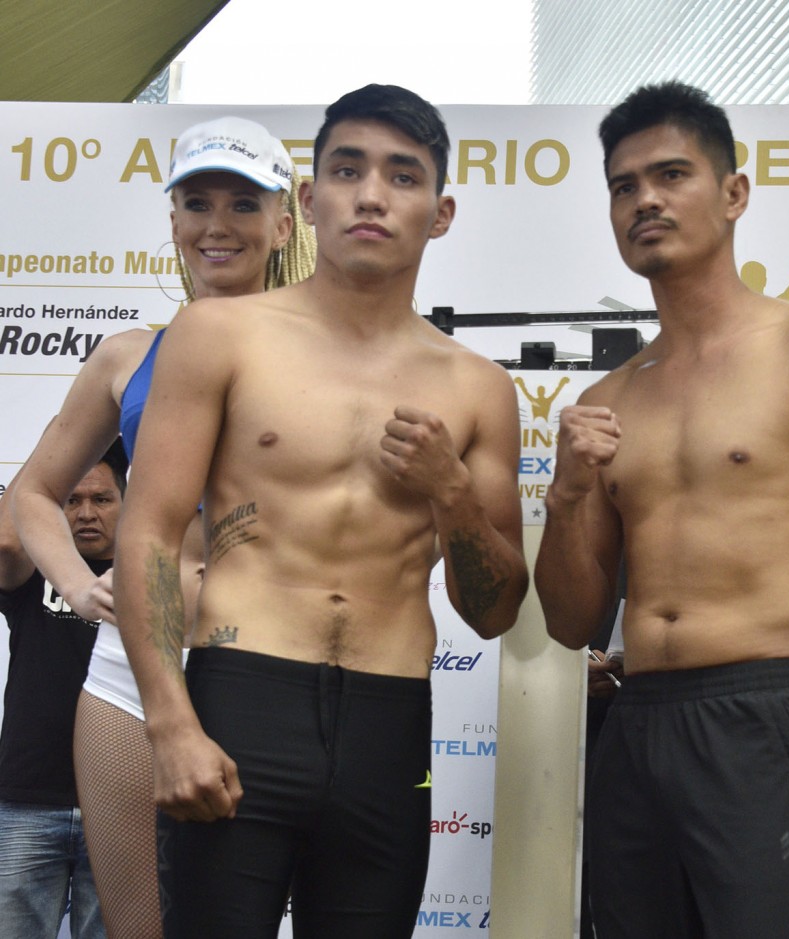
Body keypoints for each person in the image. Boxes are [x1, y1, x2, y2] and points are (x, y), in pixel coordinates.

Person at [112, 84, 528, 939]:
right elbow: (148, 531)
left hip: (389, 721)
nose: (372, 195)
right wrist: (171, 723)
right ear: (308, 199)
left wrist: (452, 491)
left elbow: (494, 612)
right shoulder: (220, 335)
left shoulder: (479, 387)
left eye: (402, 176)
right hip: (241, 697)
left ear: (441, 212)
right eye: (347, 170)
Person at [535, 81, 789, 939]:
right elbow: (567, 623)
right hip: (637, 721)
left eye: (671, 174)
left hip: (766, 711)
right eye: (624, 185)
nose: (645, 199)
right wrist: (565, 497)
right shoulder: (609, 398)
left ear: (734, 193)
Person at [13, 116, 316, 939]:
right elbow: (33, 493)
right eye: (197, 203)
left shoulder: (331, 356)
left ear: (284, 222)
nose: (218, 225)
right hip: (132, 670)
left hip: (276, 664)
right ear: (174, 220)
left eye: (243, 204)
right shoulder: (127, 356)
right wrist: (78, 586)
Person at [0, 442, 127, 939]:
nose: (86, 513)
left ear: (128, 502)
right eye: (71, 500)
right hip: (27, 800)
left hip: (122, 805)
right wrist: (70, 433)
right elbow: (7, 541)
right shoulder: (33, 572)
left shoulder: (156, 578)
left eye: (102, 499)